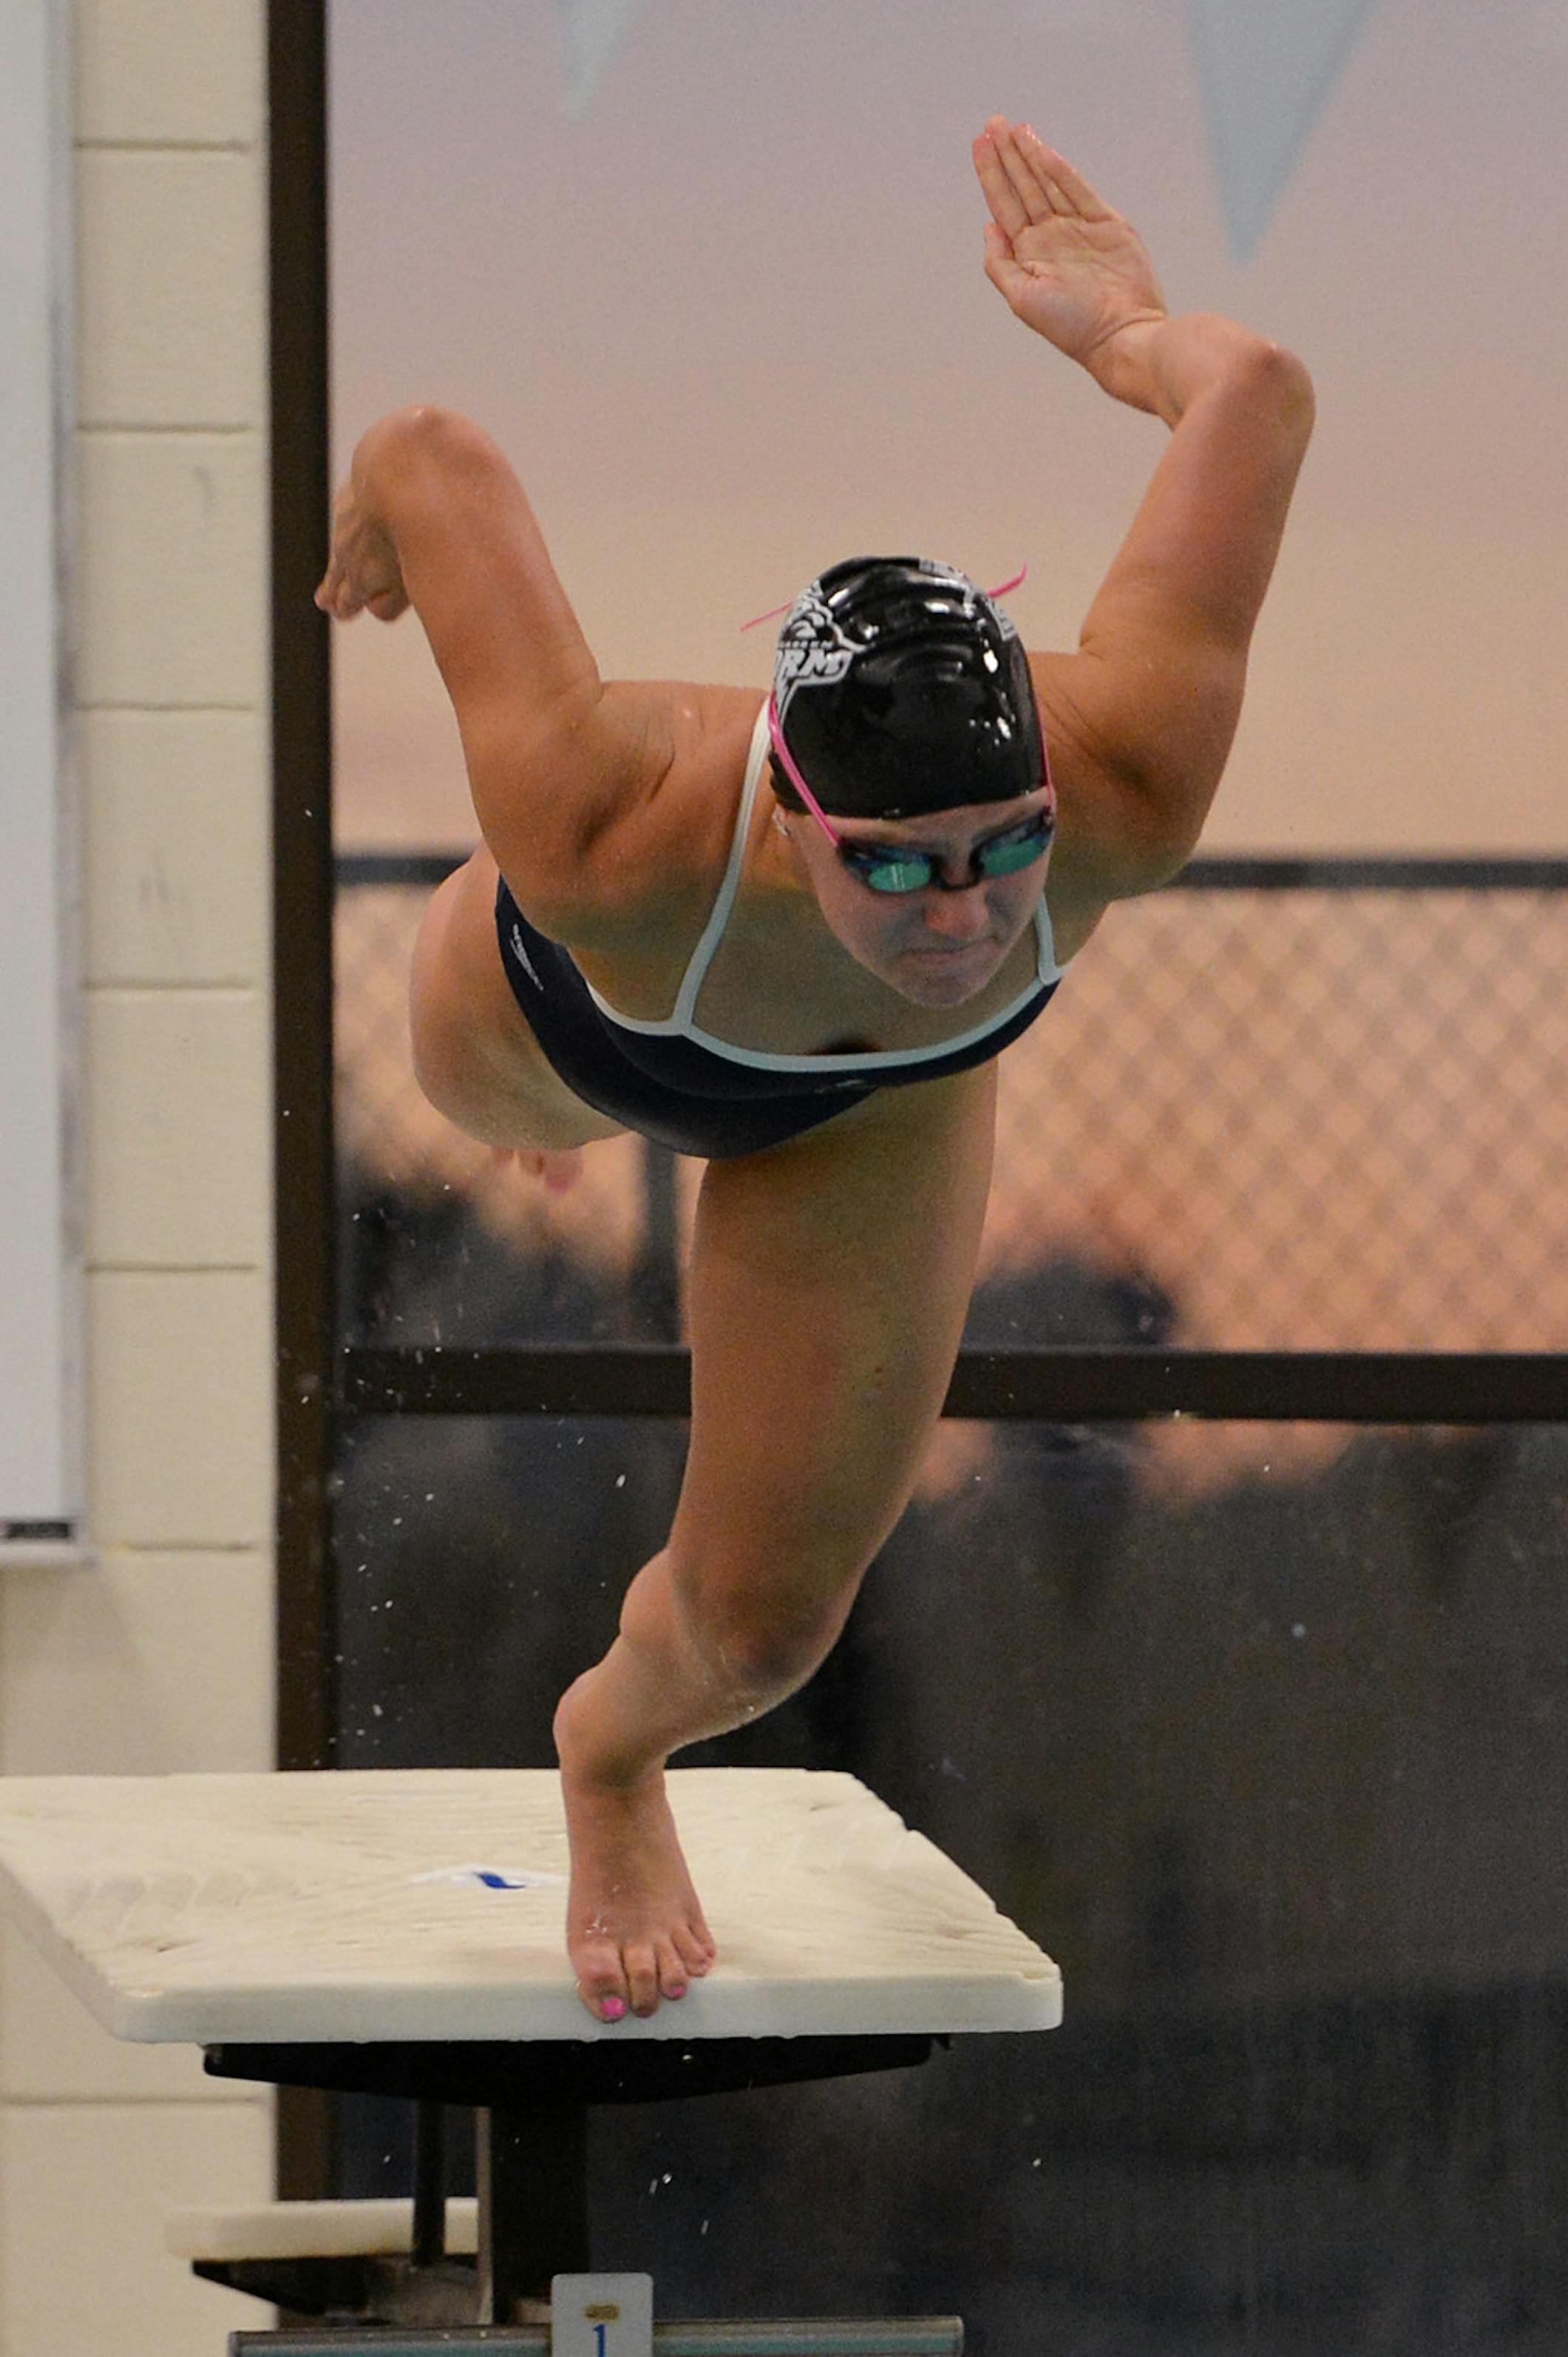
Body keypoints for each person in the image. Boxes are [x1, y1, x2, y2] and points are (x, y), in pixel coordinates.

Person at [316, 115, 1314, 2022]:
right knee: (491, 1107)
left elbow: (1254, 394)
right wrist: (374, 506)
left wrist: (1130, 342)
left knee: (768, 1626)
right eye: (900, 868)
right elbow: (437, 455)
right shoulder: (607, 818)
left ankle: (610, 1753)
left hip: (874, 1115)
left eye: (999, 845)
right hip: (575, 1005)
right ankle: (566, 1123)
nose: (964, 914)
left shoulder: (1122, 789)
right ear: (789, 807)